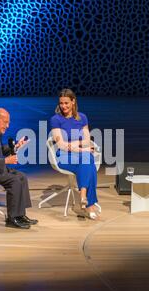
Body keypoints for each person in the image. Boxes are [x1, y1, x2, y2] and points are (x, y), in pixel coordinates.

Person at [50, 88, 100, 219]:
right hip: (64, 157)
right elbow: (61, 145)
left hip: (79, 154)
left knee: (87, 160)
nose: (63, 106)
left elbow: (87, 140)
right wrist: (81, 147)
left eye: (66, 103)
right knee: (88, 161)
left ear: (73, 102)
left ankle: (83, 196)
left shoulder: (82, 117)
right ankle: (88, 202)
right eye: (61, 103)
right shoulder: (56, 119)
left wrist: (74, 145)